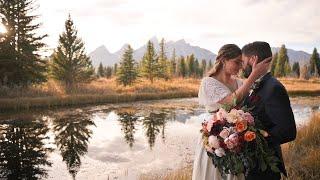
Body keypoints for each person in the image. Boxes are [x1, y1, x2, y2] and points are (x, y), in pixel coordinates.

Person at [192, 44, 271, 180]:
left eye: (242, 62)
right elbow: (231, 101)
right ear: (223, 60)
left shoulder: (240, 83)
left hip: (235, 139)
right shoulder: (208, 82)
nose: (240, 66)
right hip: (214, 137)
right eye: (236, 62)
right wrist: (254, 74)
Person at [241, 41, 297, 180]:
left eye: (243, 61)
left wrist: (254, 138)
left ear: (253, 59)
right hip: (252, 166)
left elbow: (288, 132)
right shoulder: (255, 85)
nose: (241, 66)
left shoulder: (273, 87)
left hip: (265, 169)